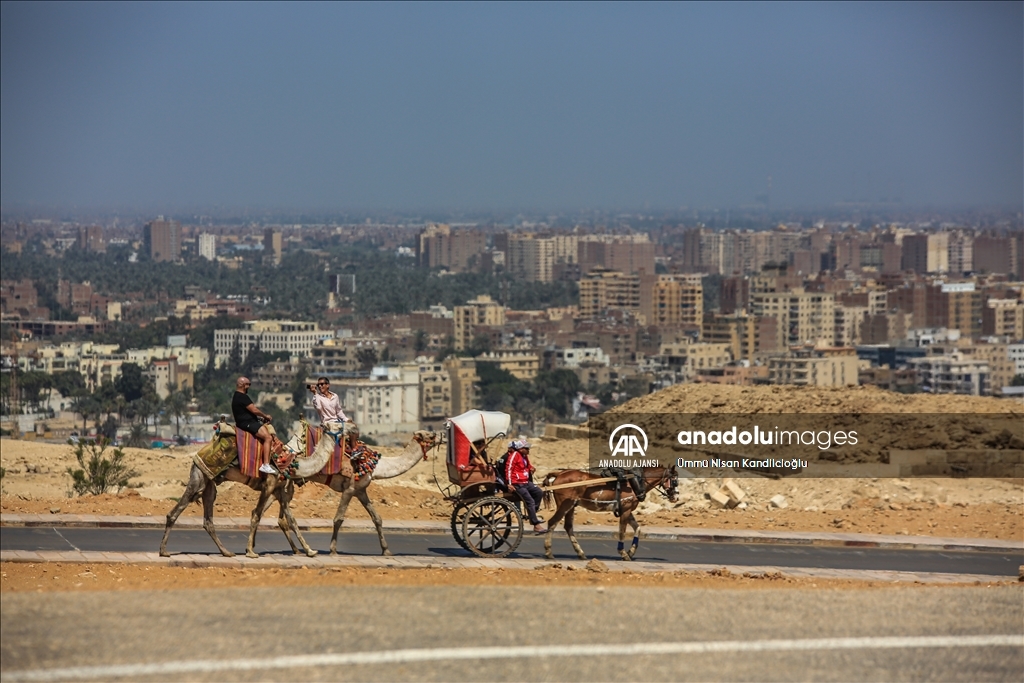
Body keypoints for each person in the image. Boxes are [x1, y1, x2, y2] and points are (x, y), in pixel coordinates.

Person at [231, 377, 277, 475]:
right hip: (247, 423)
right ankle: (266, 464)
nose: (249, 387)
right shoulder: (243, 397)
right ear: (243, 385)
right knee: (268, 437)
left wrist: (260, 419)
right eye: (248, 384)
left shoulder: (236, 396)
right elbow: (254, 410)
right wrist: (265, 416)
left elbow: (245, 413)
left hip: (245, 422)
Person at [505, 440, 546, 533]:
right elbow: (509, 469)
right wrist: (510, 484)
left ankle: (532, 515)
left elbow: (527, 466)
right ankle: (536, 524)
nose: (528, 450)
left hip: (525, 482)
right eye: (526, 448)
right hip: (517, 483)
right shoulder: (514, 455)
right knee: (530, 501)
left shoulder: (524, 456)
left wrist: (531, 468)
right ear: (521, 449)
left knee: (539, 492)